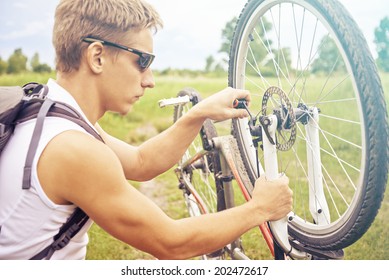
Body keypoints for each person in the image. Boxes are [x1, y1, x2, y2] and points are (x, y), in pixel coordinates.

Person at [0, 0, 292, 260]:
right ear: (97, 57)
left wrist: (198, 114)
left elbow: (140, 163)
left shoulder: (47, 110)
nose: (150, 80)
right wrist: (260, 208)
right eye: (142, 61)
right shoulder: (71, 149)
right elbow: (171, 243)